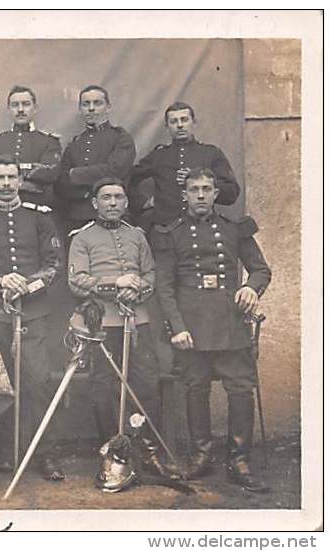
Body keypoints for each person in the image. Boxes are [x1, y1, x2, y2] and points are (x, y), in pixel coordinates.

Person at [152, 167, 272, 492]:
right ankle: (201, 456)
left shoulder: (234, 229)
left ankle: (239, 460)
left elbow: (261, 270)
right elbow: (163, 287)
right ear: (185, 195)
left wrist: (251, 288)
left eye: (207, 189)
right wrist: (176, 327)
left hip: (230, 322)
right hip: (191, 324)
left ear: (216, 193)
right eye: (195, 190)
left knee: (240, 388)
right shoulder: (171, 233)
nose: (201, 195)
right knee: (196, 388)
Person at [0, 156, 63, 480]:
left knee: (38, 382)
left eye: (11, 177)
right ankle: (2, 451)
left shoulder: (41, 217)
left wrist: (27, 285)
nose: (6, 184)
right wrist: (0, 282)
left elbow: (53, 264)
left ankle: (45, 453)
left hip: (33, 312)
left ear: (20, 181)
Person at [67, 177, 170, 476]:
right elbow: (77, 281)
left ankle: (147, 450)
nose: (113, 203)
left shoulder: (137, 235)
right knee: (104, 388)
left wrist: (137, 289)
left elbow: (150, 274)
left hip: (138, 320)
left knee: (148, 384)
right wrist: (116, 284)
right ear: (94, 203)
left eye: (118, 197)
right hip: (103, 322)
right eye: (106, 197)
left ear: (126, 202)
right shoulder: (82, 237)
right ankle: (112, 452)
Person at [129, 102, 240, 231]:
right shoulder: (158, 156)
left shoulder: (211, 153)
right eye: (174, 121)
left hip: (203, 228)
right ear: (167, 126)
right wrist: (143, 202)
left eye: (184, 120)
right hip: (165, 229)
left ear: (194, 122)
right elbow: (128, 178)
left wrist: (199, 180)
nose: (180, 125)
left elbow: (231, 193)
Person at [58, 85, 136, 231]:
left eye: (97, 103)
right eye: (86, 104)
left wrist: (75, 174)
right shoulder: (75, 143)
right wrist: (82, 190)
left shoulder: (121, 138)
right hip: (78, 217)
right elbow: (62, 181)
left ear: (108, 107)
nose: (91, 108)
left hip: (113, 217)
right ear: (80, 109)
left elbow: (114, 171)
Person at [0, 85, 62, 210]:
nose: (20, 110)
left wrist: (1, 178)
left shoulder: (48, 141)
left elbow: (50, 174)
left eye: (26, 104)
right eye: (15, 105)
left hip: (37, 210)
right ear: (8, 109)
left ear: (35, 108)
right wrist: (30, 181)